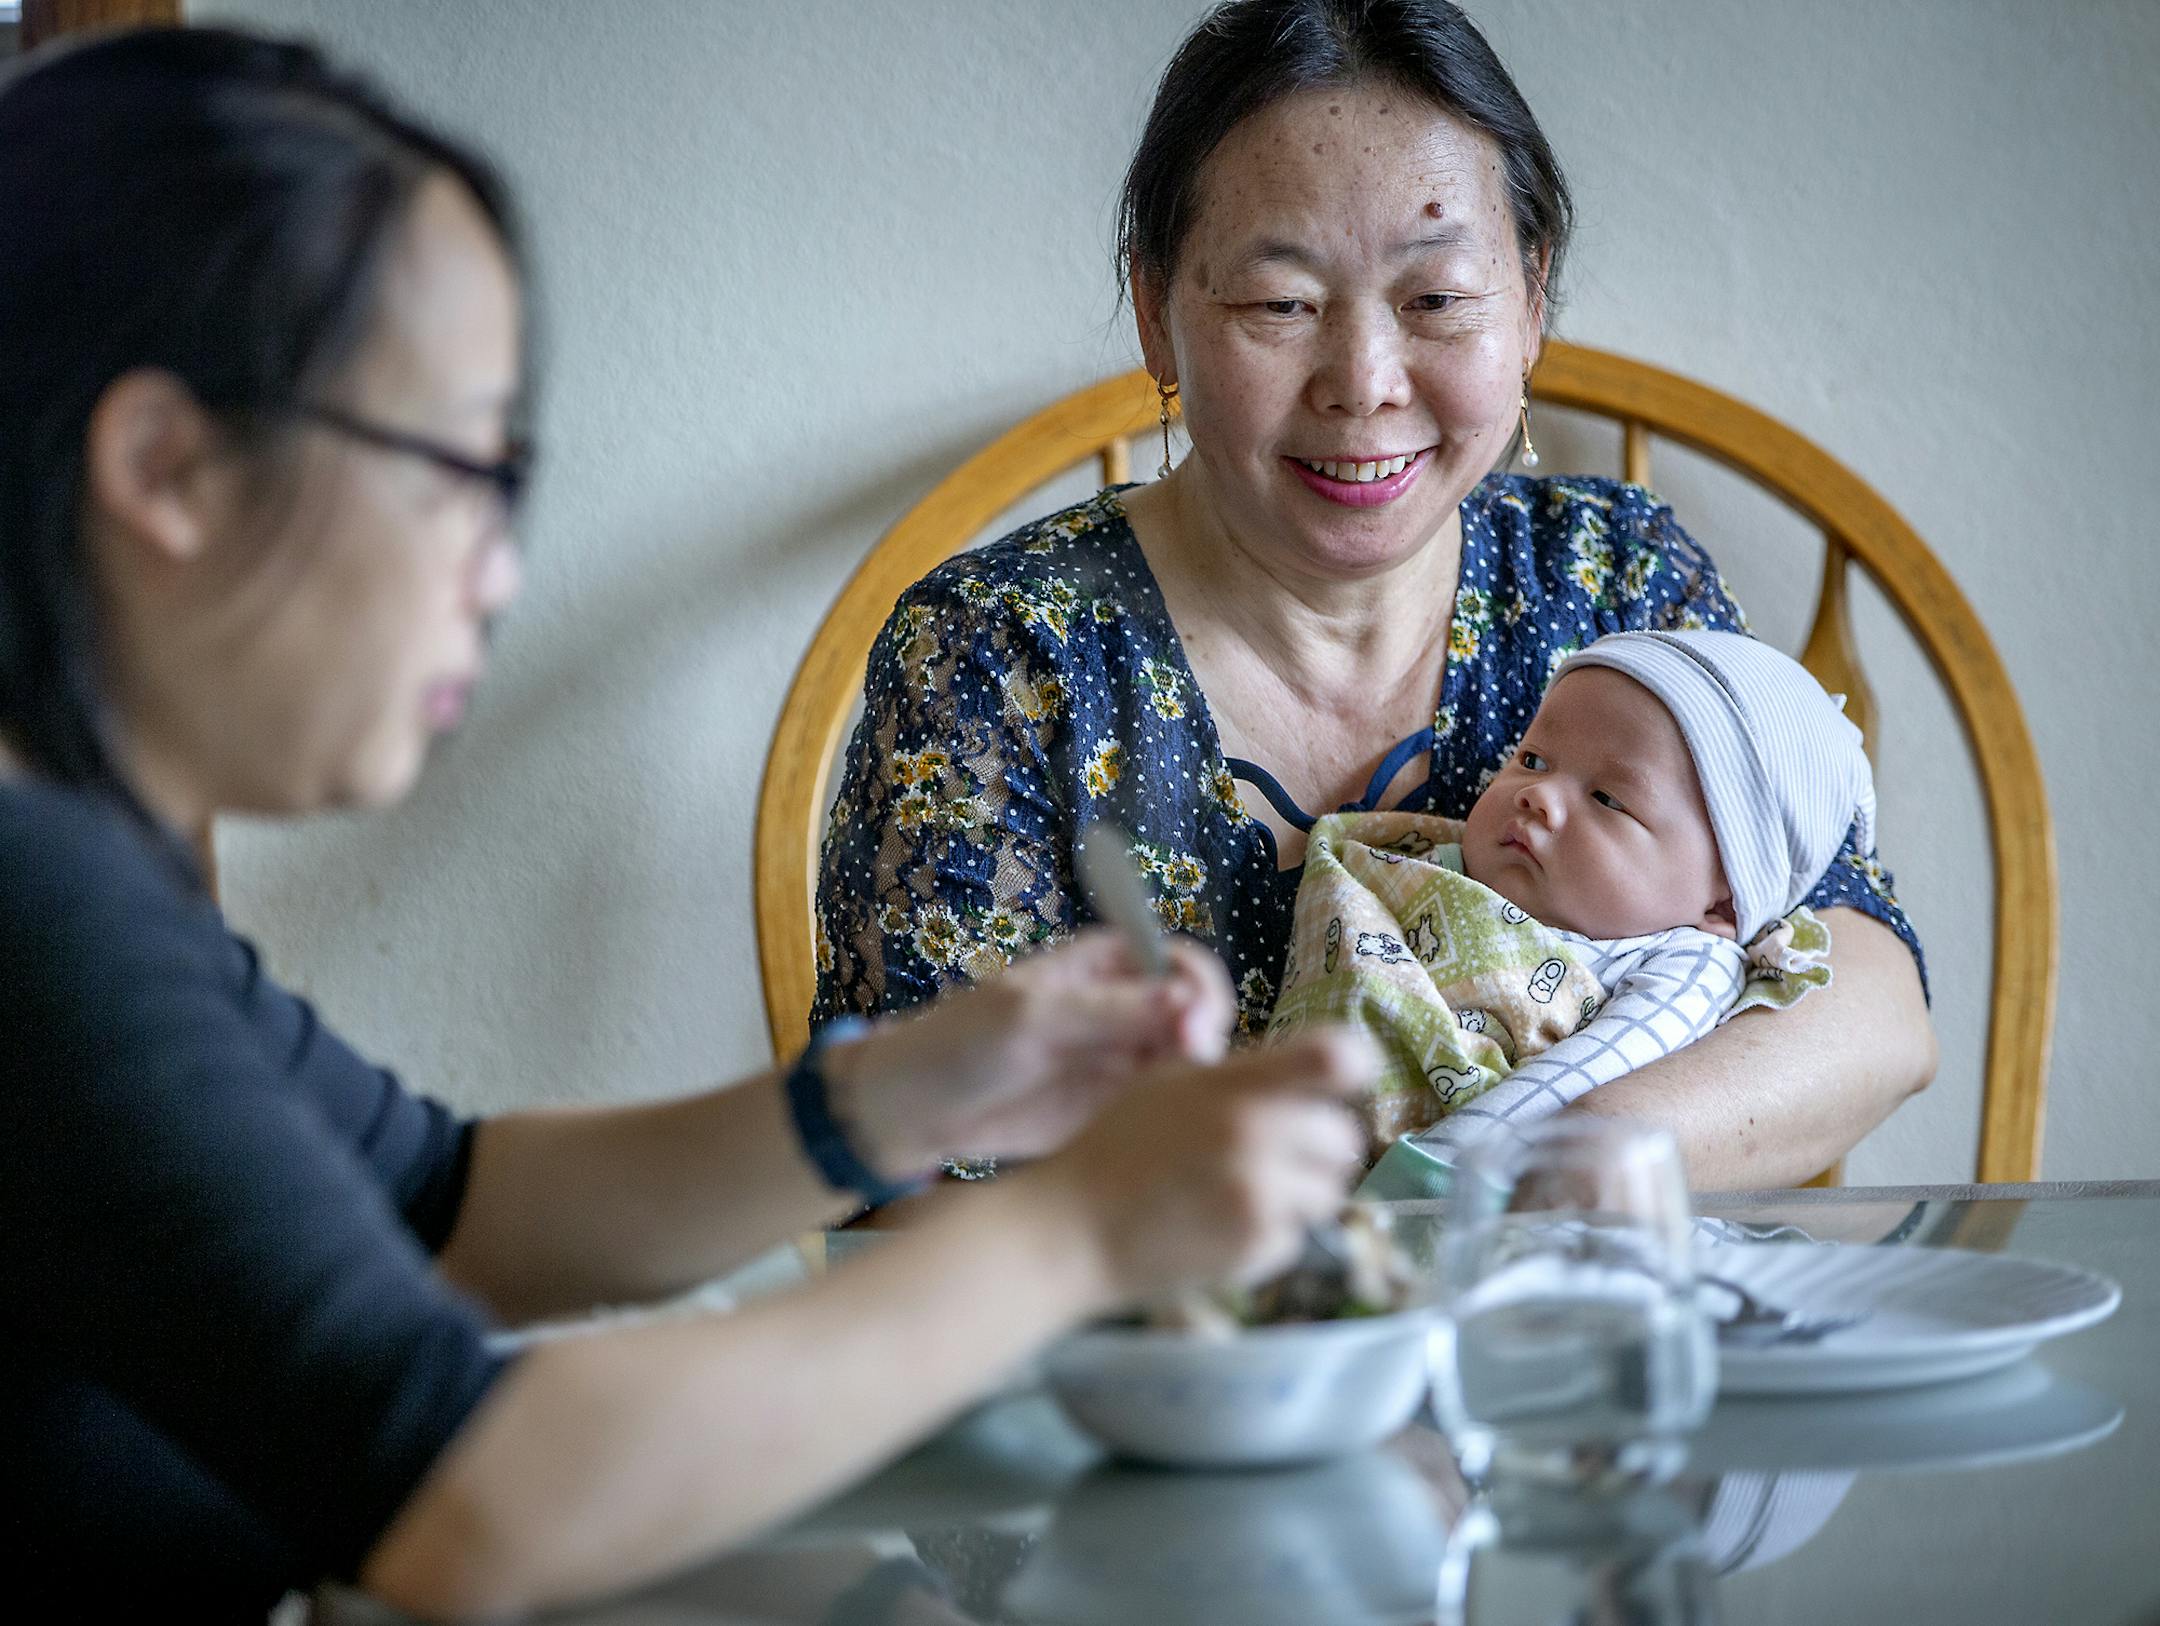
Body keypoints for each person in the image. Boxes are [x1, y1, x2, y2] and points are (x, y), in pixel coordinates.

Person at [0, 29, 1373, 1621]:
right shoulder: (34, 909)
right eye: (458, 470)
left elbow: (455, 1206)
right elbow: (475, 1503)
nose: (498, 573)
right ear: (168, 468)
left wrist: (899, 1096)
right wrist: (1080, 1228)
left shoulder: (86, 871)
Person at [814, 0, 1935, 1189]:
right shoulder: (999, 653)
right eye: (1280, 304)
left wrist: (1553, 1161)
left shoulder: (1614, 580)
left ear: (1532, 297)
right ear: (1157, 314)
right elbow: (914, 1186)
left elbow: (1866, 1001)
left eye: (1437, 300)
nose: (1364, 384)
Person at [1268, 628, 1875, 1181]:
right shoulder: (1421, 857)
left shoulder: (1684, 966)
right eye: (1532, 760)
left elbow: (1563, 1095)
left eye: (1609, 799)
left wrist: (1418, 1197)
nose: (1538, 796)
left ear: (1722, 904)